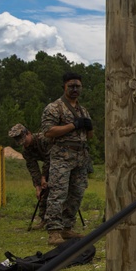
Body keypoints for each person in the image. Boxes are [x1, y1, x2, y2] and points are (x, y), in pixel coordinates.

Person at [40, 72, 93, 246]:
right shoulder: (55, 107)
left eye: (78, 86)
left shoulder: (82, 110)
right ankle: (54, 231)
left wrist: (88, 127)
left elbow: (89, 136)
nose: (75, 89)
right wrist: (73, 125)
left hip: (80, 156)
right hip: (62, 156)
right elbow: (48, 132)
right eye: (71, 86)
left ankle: (67, 227)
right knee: (58, 193)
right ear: (64, 86)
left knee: (77, 193)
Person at [9, 123, 52, 230]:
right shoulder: (26, 151)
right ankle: (44, 219)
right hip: (47, 167)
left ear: (29, 133)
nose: (24, 144)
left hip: (57, 163)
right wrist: (38, 186)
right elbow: (33, 168)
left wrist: (44, 177)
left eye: (24, 140)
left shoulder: (44, 139)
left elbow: (49, 158)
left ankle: (63, 221)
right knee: (43, 191)